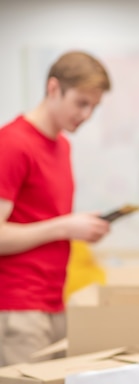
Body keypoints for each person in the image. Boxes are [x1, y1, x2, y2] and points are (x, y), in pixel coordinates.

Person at [0, 51, 112, 366]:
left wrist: (79, 227)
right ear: (53, 89)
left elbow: (42, 218)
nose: (87, 114)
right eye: (81, 103)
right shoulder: (12, 144)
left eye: (94, 106)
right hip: (18, 307)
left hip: (54, 301)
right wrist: (65, 227)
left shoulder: (62, 146)